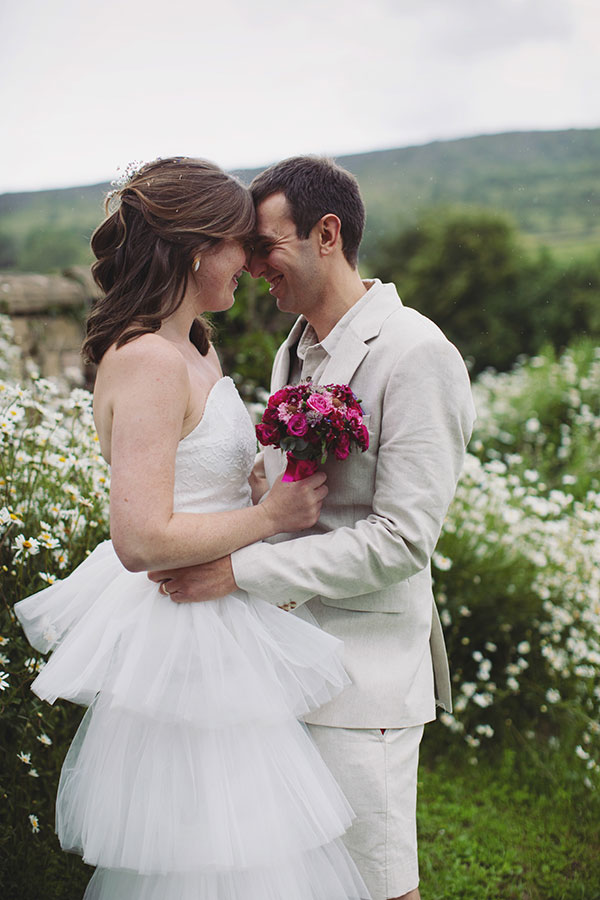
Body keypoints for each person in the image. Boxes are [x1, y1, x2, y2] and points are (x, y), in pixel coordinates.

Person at [14, 157, 370, 900]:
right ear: (197, 246)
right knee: (205, 843)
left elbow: (196, 478)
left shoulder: (196, 346)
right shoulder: (147, 360)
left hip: (224, 616)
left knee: (249, 833)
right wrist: (269, 515)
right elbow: (140, 539)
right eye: (243, 242)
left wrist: (259, 482)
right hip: (182, 631)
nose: (254, 259)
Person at [149, 156, 477, 900]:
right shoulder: (291, 349)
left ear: (327, 234)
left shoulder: (417, 354)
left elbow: (401, 540)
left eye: (267, 244)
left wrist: (239, 574)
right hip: (278, 670)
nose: (252, 263)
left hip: (365, 680)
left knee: (377, 887)